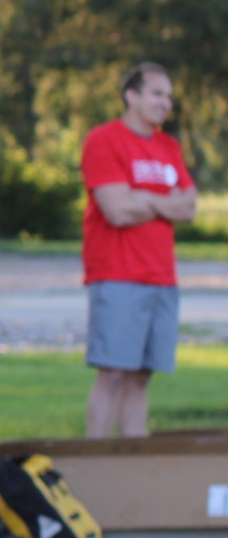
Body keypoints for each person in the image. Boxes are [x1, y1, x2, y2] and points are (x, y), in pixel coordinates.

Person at [81, 61, 197, 438]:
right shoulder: (104, 140)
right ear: (131, 96)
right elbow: (116, 210)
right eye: (157, 93)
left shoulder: (169, 146)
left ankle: (133, 465)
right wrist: (165, 201)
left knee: (141, 377)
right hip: (117, 274)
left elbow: (190, 207)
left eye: (168, 95)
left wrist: (142, 197)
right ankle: (95, 465)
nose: (166, 102)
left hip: (162, 277)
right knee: (113, 373)